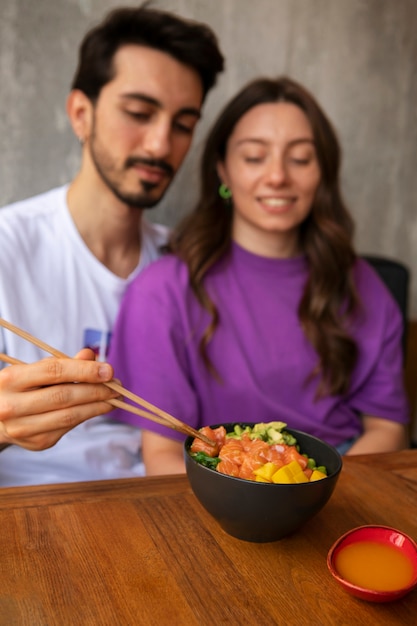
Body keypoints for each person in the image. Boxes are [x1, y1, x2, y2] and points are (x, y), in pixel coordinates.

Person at [108, 76, 409, 475]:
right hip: (220, 489)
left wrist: (316, 491)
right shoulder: (161, 292)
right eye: (254, 157)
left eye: (300, 158)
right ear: (223, 171)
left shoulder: (362, 284)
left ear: (323, 173)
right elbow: (163, 457)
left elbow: (389, 428)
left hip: (341, 481)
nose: (278, 177)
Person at [0, 5, 224, 485]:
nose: (162, 144)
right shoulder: (7, 247)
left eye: (183, 124)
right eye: (139, 113)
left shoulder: (185, 265)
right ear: (82, 113)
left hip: (162, 502)